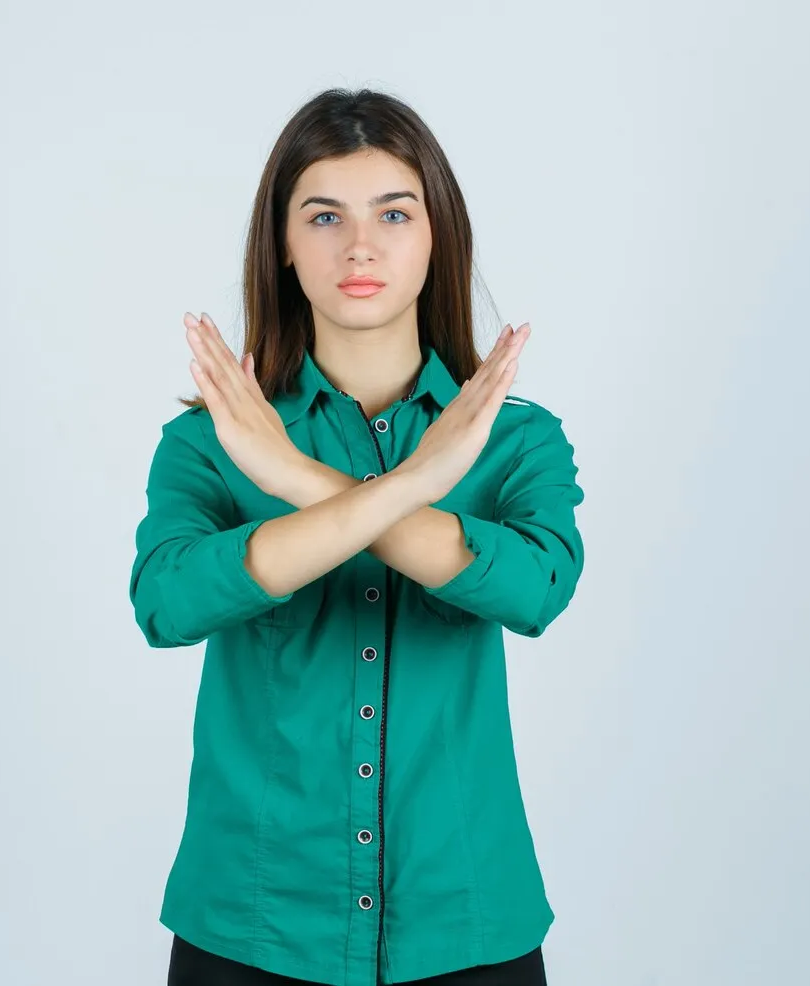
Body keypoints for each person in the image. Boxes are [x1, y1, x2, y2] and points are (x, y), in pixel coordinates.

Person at [128, 88, 586, 986]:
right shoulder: (208, 443)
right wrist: (414, 488)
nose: (360, 245)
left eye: (394, 212)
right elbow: (167, 603)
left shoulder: (517, 440)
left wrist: (300, 483)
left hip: (467, 925)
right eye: (325, 215)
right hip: (251, 929)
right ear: (285, 248)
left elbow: (533, 593)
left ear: (435, 238)